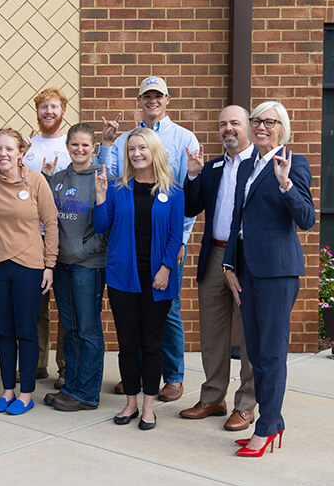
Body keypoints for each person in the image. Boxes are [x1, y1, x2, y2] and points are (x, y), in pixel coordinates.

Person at [97, 76, 199, 402]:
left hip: (167, 244)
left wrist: (179, 243)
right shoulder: (127, 137)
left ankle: (174, 377)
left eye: (158, 95)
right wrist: (107, 145)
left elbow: (184, 193)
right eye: (146, 96)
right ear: (139, 101)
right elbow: (111, 178)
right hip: (130, 242)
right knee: (133, 314)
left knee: (167, 312)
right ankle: (137, 376)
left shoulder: (184, 137)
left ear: (167, 99)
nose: (152, 101)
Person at [222, 101, 314, 456]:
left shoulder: (293, 162)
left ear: (281, 127)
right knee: (257, 353)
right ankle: (272, 423)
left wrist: (286, 183)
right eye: (257, 120)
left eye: (269, 122)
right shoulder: (247, 165)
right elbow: (237, 220)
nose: (261, 126)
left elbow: (306, 219)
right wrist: (229, 265)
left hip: (277, 272)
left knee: (272, 353)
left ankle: (266, 427)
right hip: (246, 270)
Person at [93, 127, 184, 430]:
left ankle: (149, 406)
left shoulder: (173, 191)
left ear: (154, 150)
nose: (136, 154)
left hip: (157, 278)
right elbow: (101, 224)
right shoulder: (120, 189)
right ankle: (130, 402)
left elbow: (175, 235)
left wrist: (166, 267)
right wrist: (101, 196)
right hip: (123, 277)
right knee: (128, 344)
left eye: (142, 148)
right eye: (131, 149)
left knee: (152, 342)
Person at [180, 105, 256, 430]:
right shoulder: (210, 167)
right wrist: (194, 174)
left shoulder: (261, 166)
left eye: (234, 123)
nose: (228, 129)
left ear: (248, 127)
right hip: (214, 255)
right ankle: (213, 397)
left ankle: (246, 404)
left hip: (247, 259)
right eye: (223, 124)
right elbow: (190, 206)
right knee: (212, 331)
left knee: (250, 332)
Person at [0, 129, 58, 415]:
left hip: (30, 267)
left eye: (9, 149)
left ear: (20, 153)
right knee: (4, 332)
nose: (3, 154)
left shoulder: (35, 181)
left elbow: (51, 223)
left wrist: (49, 265)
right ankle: (7, 391)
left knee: (27, 331)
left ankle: (26, 394)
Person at [42, 123, 108, 412]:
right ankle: (72, 385)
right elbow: (48, 221)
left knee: (87, 329)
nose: (79, 150)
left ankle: (87, 393)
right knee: (69, 328)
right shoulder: (57, 178)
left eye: (85, 145)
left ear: (93, 147)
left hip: (87, 267)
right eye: (74, 145)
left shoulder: (103, 178)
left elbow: (107, 228)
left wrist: (82, 250)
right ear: (67, 146)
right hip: (61, 267)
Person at [24, 87, 71, 385]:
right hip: (31, 236)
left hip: (65, 234)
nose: (49, 112)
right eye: (43, 107)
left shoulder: (71, 145)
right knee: (35, 305)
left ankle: (65, 366)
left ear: (63, 111)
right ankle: (38, 363)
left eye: (54, 107)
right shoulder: (27, 146)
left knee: (65, 305)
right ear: (37, 111)